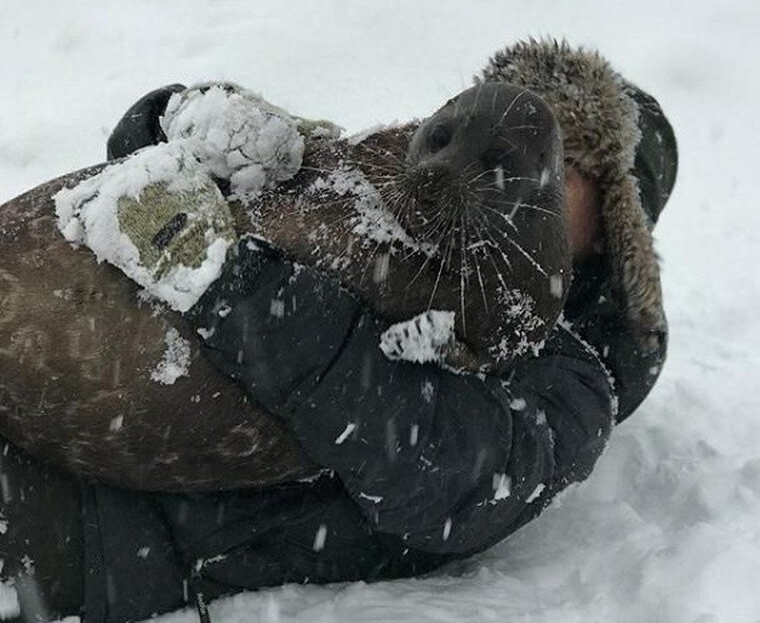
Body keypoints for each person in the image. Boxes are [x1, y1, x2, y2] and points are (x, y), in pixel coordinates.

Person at [0, 38, 677, 623]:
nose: (511, 174)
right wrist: (178, 123)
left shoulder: (573, 385)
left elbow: (444, 476)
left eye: (563, 165)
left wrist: (238, 292)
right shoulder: (381, 201)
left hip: (96, 530)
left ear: (613, 233)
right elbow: (126, 199)